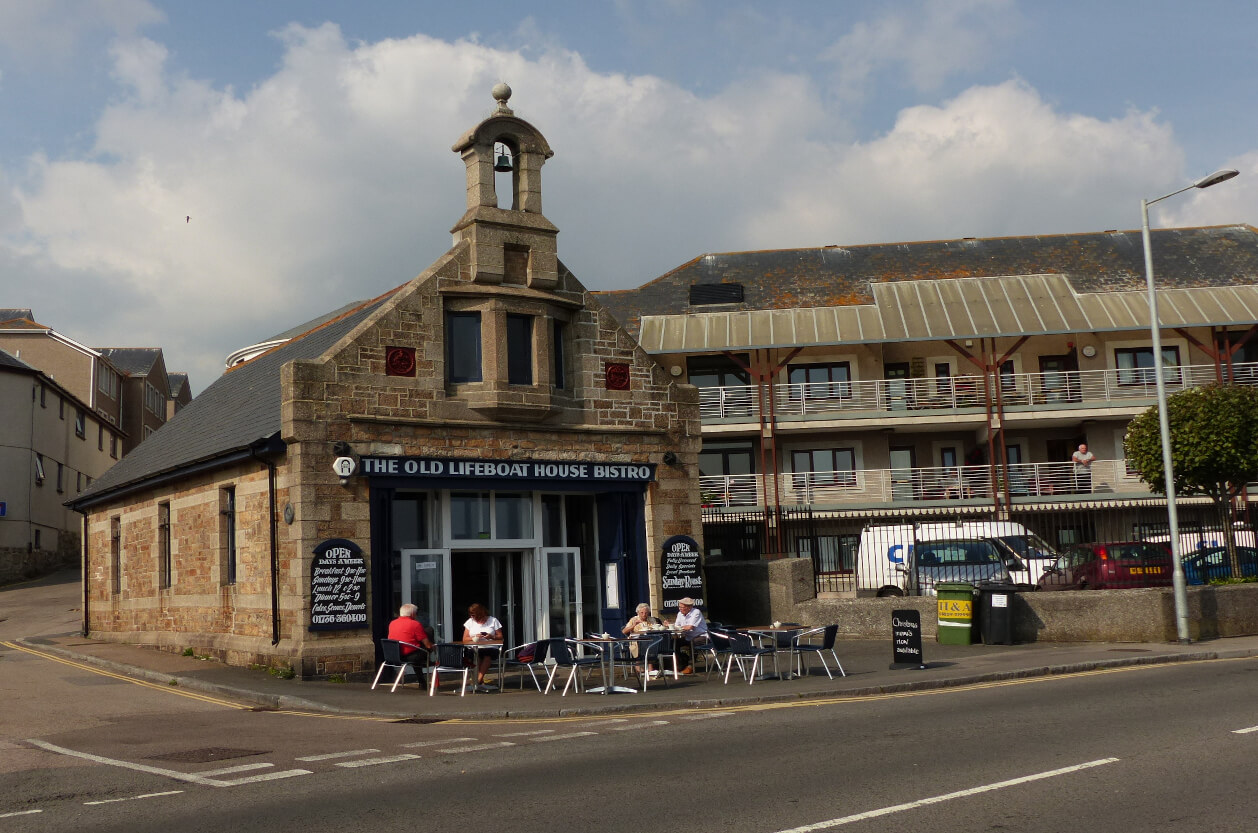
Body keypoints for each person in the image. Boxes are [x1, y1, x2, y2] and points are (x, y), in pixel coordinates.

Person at [462, 602, 504, 690]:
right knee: (475, 655)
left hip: (490, 646)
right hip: (475, 646)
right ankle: (477, 681)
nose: (472, 617)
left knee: (487, 655)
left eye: (474, 615)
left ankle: (478, 680)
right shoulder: (470, 622)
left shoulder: (493, 620)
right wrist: (474, 637)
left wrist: (491, 636)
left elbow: (500, 636)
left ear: (481, 614)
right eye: (471, 615)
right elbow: (465, 638)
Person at [622, 602, 662, 677]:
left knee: (651, 642)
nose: (644, 615)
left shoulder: (652, 620)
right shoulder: (634, 619)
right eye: (642, 613)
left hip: (650, 640)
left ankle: (649, 668)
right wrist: (634, 625)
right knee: (644, 644)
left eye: (646, 613)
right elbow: (624, 631)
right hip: (636, 641)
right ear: (638, 612)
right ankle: (641, 665)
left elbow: (657, 629)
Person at [669, 597, 707, 675]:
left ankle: (690, 666)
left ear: (689, 607)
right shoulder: (680, 614)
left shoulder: (696, 612)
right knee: (673, 643)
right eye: (679, 607)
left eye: (682, 607)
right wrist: (670, 626)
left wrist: (676, 627)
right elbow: (676, 626)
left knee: (693, 642)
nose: (680, 609)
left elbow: (690, 627)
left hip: (702, 636)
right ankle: (681, 664)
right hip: (688, 636)